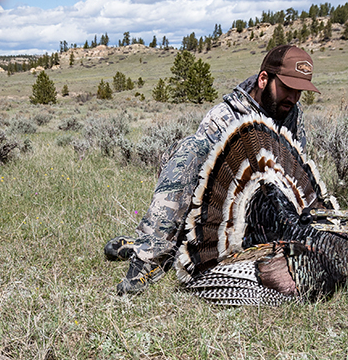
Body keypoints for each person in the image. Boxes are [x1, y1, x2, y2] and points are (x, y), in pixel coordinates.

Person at [106, 44, 320, 294]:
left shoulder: (292, 116)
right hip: (212, 215)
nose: (293, 98)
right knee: (191, 149)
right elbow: (198, 182)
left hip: (259, 216)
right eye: (287, 88)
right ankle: (149, 257)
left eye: (299, 92)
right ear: (264, 79)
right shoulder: (223, 117)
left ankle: (162, 247)